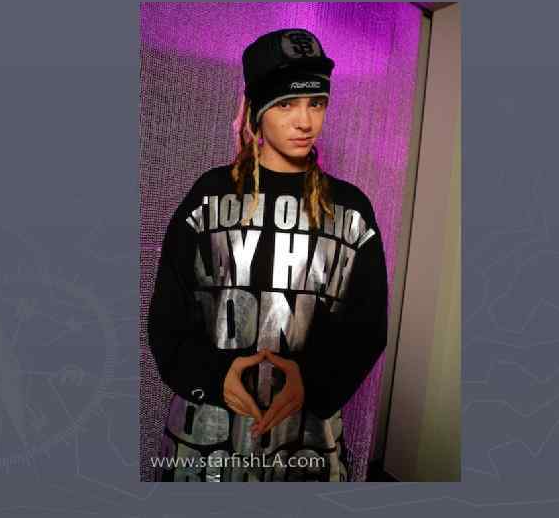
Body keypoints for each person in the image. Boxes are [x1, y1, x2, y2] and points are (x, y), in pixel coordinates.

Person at [147, 28, 389, 482]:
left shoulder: (351, 209)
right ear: (256, 111)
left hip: (306, 449)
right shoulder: (208, 196)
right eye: (286, 104)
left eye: (316, 103)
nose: (305, 121)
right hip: (205, 446)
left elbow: (367, 326)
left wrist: (311, 384)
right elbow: (167, 317)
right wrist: (214, 377)